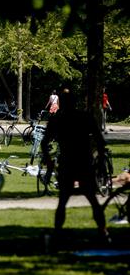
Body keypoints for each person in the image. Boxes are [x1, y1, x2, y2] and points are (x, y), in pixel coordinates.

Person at [40, 89, 110, 244]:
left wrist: (49, 162)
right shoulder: (85, 117)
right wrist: (99, 161)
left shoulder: (57, 119)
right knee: (92, 199)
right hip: (84, 162)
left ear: (62, 103)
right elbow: (100, 140)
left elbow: (44, 143)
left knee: (63, 200)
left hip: (68, 162)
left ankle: (58, 232)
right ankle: (103, 231)